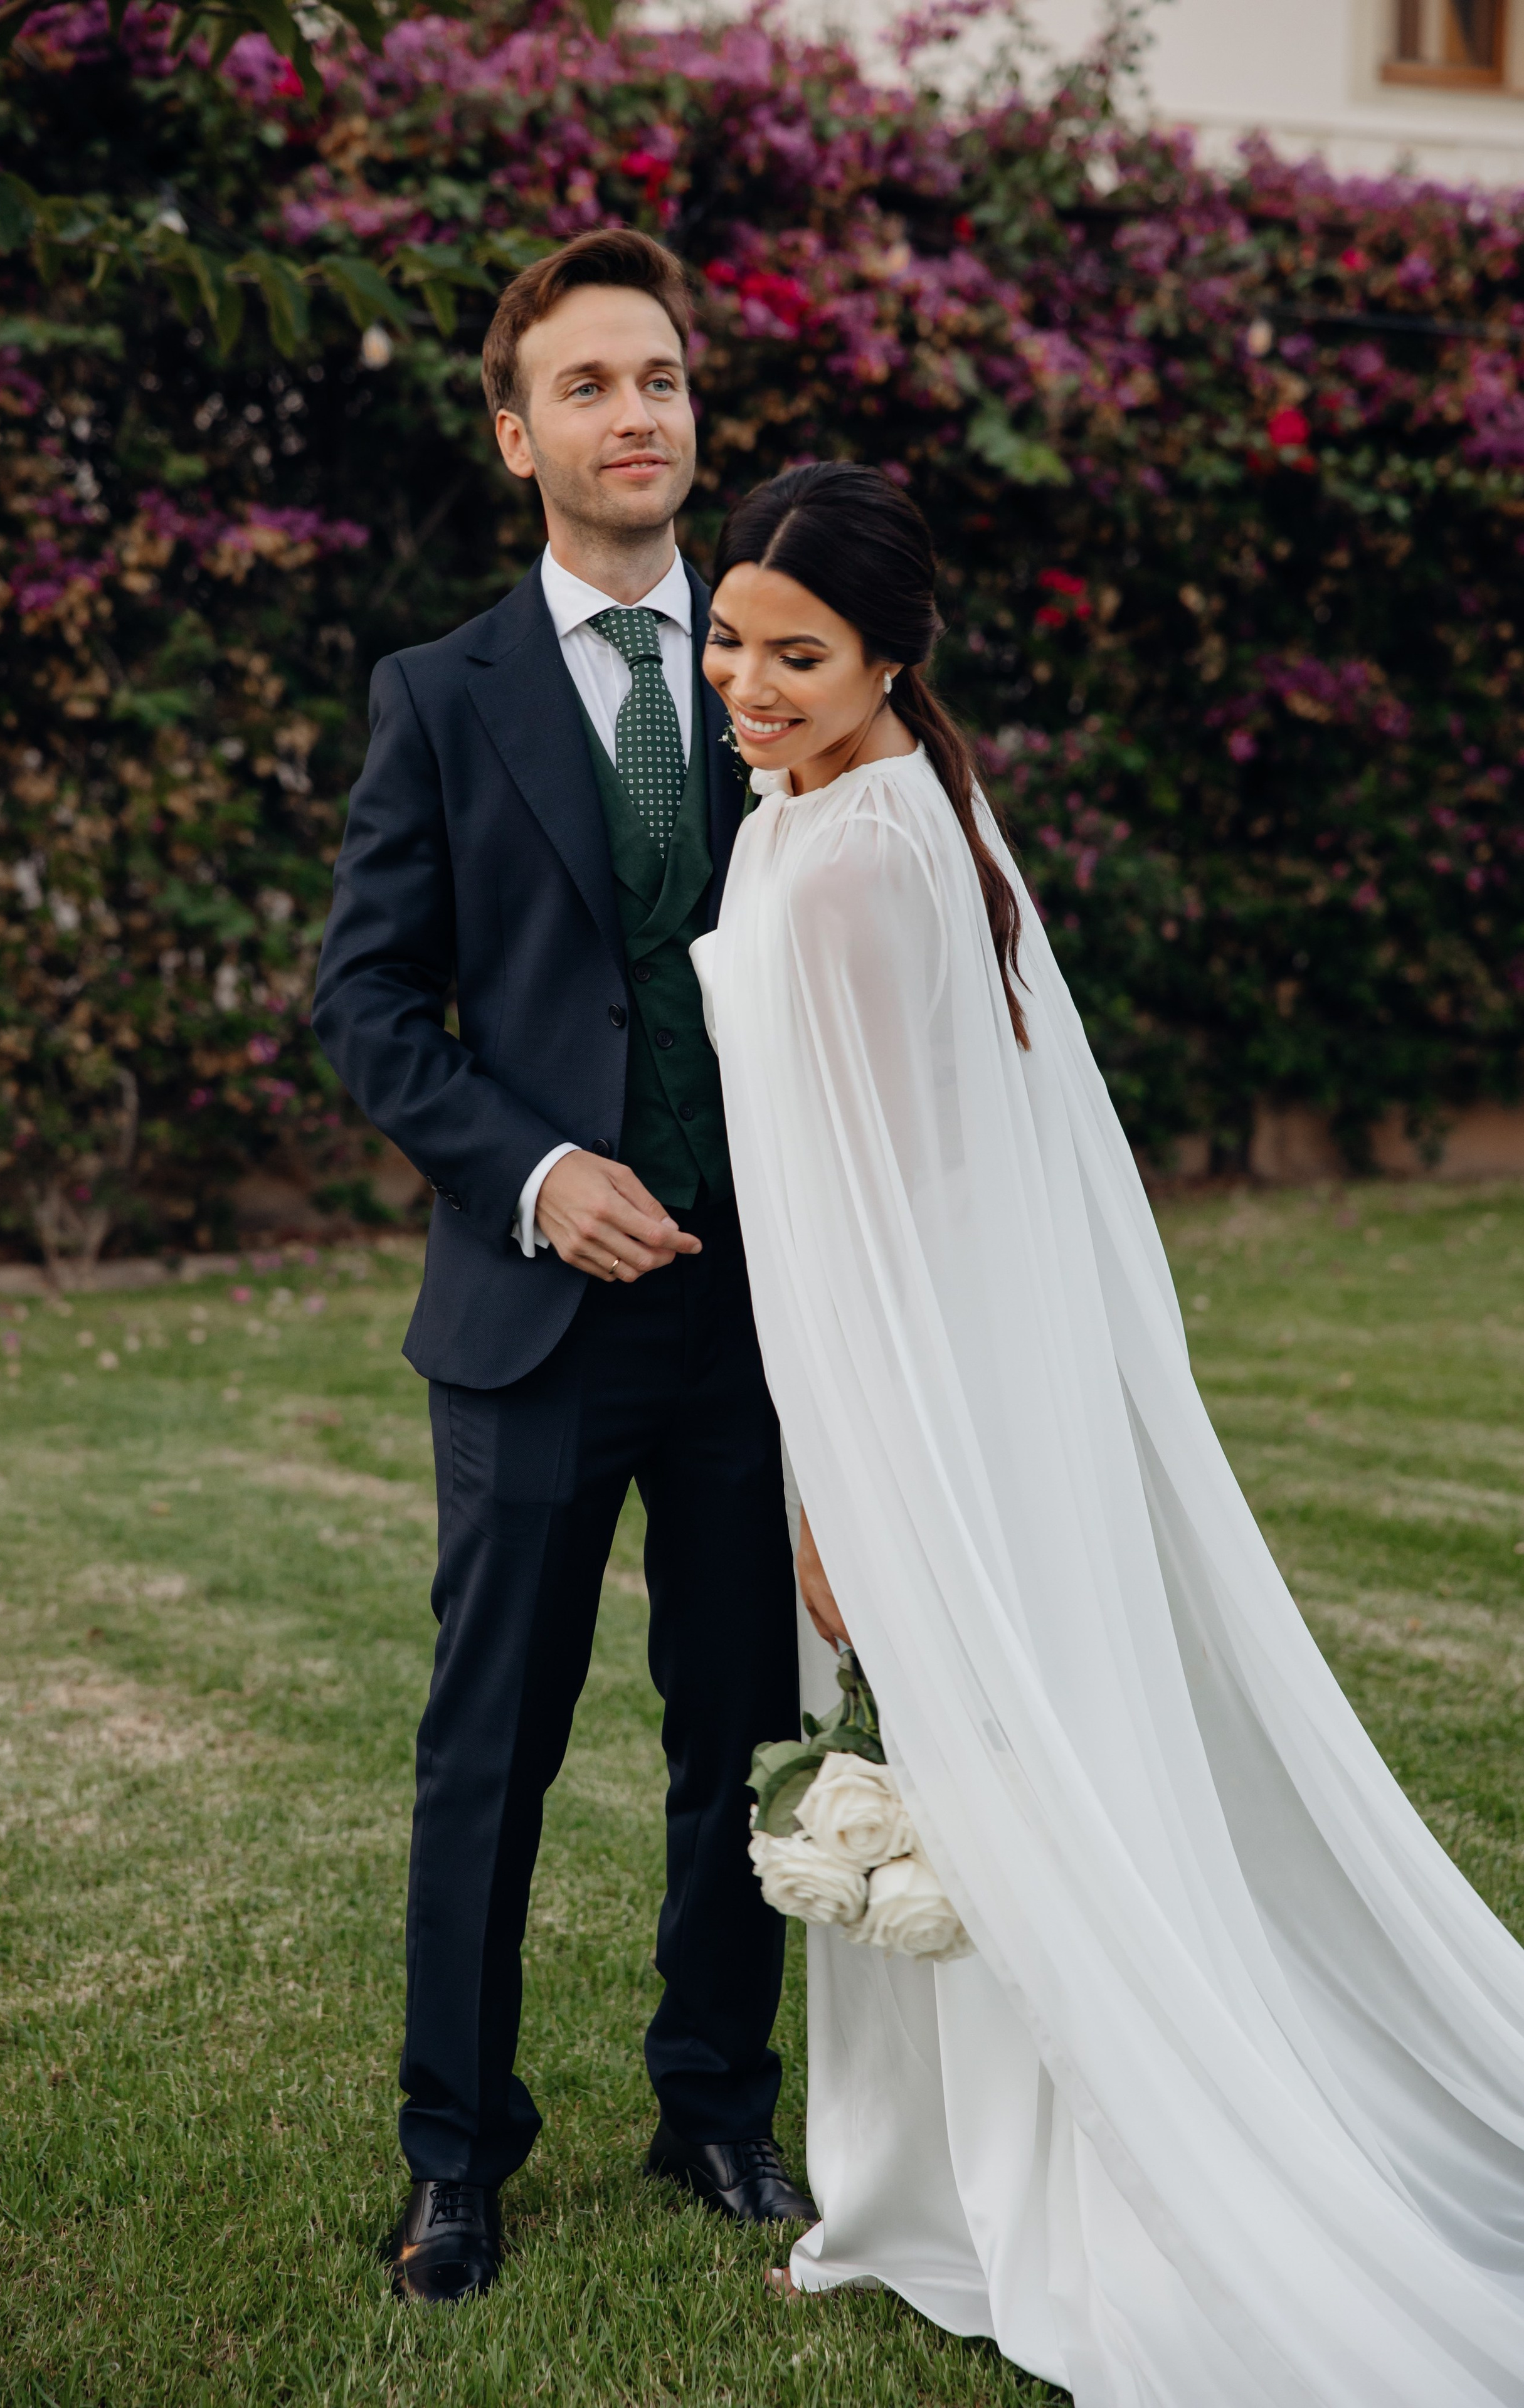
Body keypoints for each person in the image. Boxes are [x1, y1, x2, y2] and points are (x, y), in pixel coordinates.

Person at [690, 460, 1524, 2405]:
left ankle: (1038, 2209)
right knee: (982, 1783)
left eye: (798, 656)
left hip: (911, 1400)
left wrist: (839, 1489)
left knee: (995, 1797)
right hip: (947, 1378)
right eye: (730, 642)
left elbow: (886, 1209)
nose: (748, 684)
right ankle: (927, 2193)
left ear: (890, 657)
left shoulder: (852, 860)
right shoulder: (864, 801)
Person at [311, 230, 811, 2310]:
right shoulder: (441, 696)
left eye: (664, 379)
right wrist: (532, 1175)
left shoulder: (785, 671)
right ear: (518, 436)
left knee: (746, 1730)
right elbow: (367, 1004)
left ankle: (717, 2102)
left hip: (762, 1309)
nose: (638, 414)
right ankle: (457, 2155)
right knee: (491, 1745)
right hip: (534, 1315)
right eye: (590, 384)